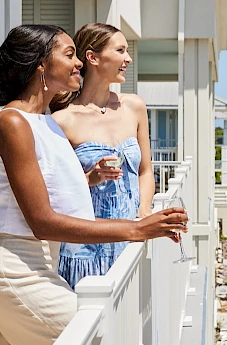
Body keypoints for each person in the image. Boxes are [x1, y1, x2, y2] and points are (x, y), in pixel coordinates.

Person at [0, 24, 185, 345]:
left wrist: (88, 180)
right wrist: (135, 229)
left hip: (40, 268)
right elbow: (41, 220)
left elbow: (45, 194)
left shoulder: (45, 124)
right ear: (40, 67)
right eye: (69, 55)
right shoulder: (13, 123)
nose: (77, 63)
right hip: (16, 271)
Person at [49, 23, 157, 289]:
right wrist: (89, 177)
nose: (128, 58)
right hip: (85, 251)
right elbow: (53, 191)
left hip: (129, 242)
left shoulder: (134, 107)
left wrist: (143, 211)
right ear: (93, 57)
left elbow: (145, 170)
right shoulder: (62, 120)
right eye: (120, 50)